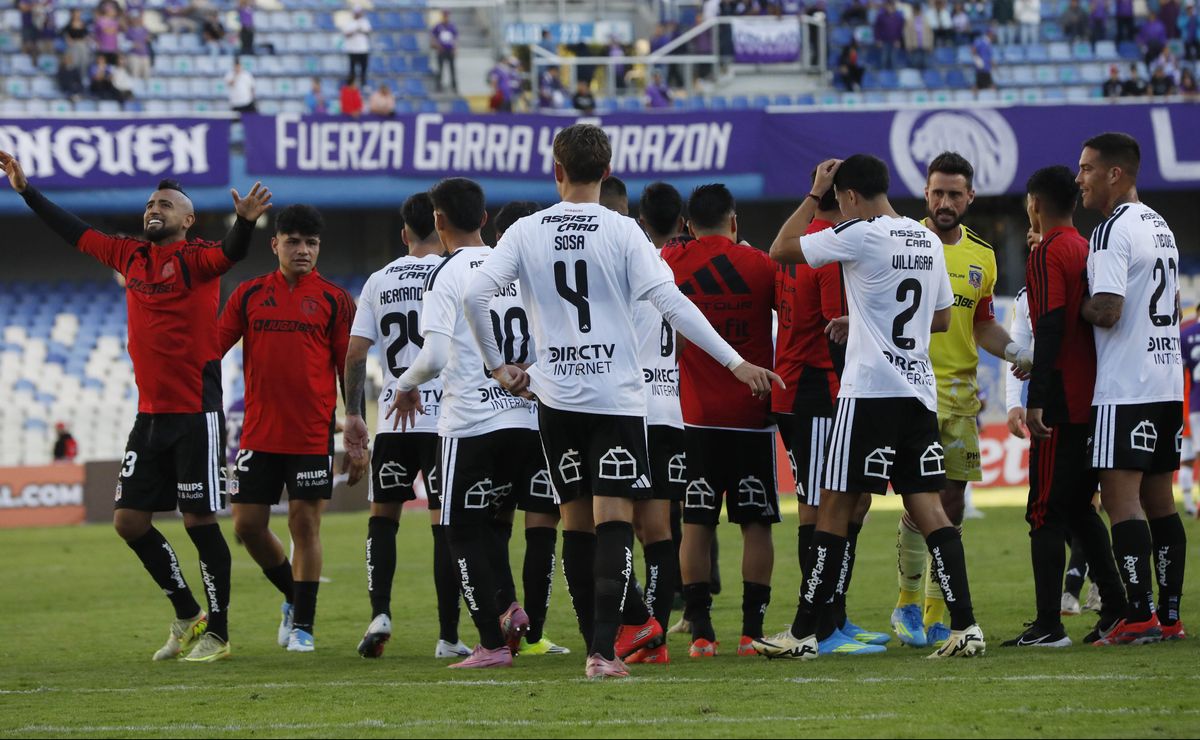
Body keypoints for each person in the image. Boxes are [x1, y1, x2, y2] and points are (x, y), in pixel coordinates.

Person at [462, 123, 781, 678]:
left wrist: (499, 365)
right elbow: (671, 304)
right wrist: (736, 362)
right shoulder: (625, 232)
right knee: (615, 521)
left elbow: (474, 295)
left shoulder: (525, 232)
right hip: (615, 398)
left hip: (556, 397)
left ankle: (597, 642)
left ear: (556, 171)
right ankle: (602, 654)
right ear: (606, 172)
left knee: (576, 525)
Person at [0, 152, 272, 662]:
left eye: (166, 204)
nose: (155, 207)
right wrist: (26, 190)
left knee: (198, 521)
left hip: (196, 413)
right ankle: (188, 613)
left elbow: (233, 251)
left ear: (187, 221)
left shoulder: (198, 258)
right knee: (128, 522)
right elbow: (74, 230)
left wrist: (246, 222)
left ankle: (219, 631)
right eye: (151, 202)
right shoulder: (128, 255)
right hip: (149, 417)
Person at [757, 155, 984, 661]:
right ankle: (965, 626)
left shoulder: (860, 233)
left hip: (869, 395)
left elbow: (780, 248)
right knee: (929, 509)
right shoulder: (925, 238)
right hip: (918, 393)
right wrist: (870, 324)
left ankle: (802, 634)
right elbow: (943, 318)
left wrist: (815, 193)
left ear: (851, 196)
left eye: (839, 202)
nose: (836, 211)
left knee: (833, 512)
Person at [384, 178, 562, 669]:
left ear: (437, 221)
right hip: (531, 417)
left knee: (460, 529)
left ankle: (489, 643)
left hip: (473, 423)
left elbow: (435, 356)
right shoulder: (518, 266)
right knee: (516, 524)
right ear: (485, 219)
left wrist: (404, 383)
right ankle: (514, 611)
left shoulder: (448, 274)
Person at [891, 152, 1030, 649]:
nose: (945, 201)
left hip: (961, 394)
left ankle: (933, 607)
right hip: (910, 391)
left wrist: (1014, 351)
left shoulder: (983, 256)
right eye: (937, 193)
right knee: (919, 500)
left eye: (954, 193)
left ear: (970, 197)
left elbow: (984, 323)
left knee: (952, 502)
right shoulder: (902, 241)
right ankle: (908, 600)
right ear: (925, 194)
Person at [219, 205, 357, 654]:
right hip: (259, 434)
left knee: (305, 526)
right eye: (294, 242)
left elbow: (347, 369)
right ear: (274, 244)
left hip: (311, 433)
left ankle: (303, 627)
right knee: (247, 526)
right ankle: (293, 598)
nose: (303, 250)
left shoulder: (335, 300)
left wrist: (355, 426)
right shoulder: (248, 294)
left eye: (311, 243)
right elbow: (212, 347)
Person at [1001, 166, 1129, 648]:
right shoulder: (1085, 247)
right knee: (1078, 508)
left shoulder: (1047, 251)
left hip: (1064, 402)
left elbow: (1050, 326)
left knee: (1044, 512)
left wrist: (1038, 398)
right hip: (1094, 395)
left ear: (1034, 203)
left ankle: (1048, 625)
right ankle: (1117, 607)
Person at [662, 184, 783, 660]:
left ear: (689, 226)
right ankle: (752, 632)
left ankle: (701, 635)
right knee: (756, 525)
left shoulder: (672, 265)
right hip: (752, 415)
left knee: (696, 524)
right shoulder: (761, 266)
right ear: (734, 221)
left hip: (694, 419)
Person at [772, 168, 888, 657]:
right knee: (824, 509)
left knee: (848, 504)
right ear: (846, 197)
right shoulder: (833, 248)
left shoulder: (801, 242)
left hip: (802, 391)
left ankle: (834, 615)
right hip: (817, 390)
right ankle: (822, 626)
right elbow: (833, 330)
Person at [342, 193, 463, 659]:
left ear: (403, 234)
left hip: (393, 419)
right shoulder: (451, 273)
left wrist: (354, 414)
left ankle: (379, 613)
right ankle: (448, 636)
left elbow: (355, 354)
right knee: (443, 526)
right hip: (443, 419)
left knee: (382, 520)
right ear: (442, 223)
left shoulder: (379, 280)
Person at [1078, 132, 1187, 644]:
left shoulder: (1110, 229)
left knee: (1123, 503)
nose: (1079, 179)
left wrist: (1067, 310)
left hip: (1126, 387)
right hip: (1167, 383)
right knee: (1161, 502)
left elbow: (1108, 309)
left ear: (1113, 174)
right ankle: (1168, 616)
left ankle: (1138, 614)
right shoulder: (1159, 225)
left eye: (1087, 169)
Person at [1179, 305, 1200, 516]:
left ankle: (1189, 506)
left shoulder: (1185, 337)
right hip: (1191, 405)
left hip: (1188, 406)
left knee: (1187, 459)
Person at [343, 7, 372, 87]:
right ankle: (351, 84)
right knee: (352, 69)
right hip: (353, 49)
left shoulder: (365, 22)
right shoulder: (349, 23)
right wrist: (356, 30)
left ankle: (363, 83)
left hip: (363, 49)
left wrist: (360, 30)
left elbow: (368, 32)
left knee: (363, 68)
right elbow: (346, 34)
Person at [431, 10, 458, 93]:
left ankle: (454, 86)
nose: (446, 17)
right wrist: (437, 46)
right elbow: (433, 38)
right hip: (441, 50)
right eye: (444, 16)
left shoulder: (452, 26)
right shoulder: (438, 26)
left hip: (449, 50)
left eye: (447, 16)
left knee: (452, 69)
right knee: (440, 69)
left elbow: (455, 38)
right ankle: (439, 86)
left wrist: (455, 48)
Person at [874, 0, 904, 69]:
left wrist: (898, 40)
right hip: (884, 41)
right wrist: (878, 40)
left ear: (894, 7)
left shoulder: (898, 17)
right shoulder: (880, 17)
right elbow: (877, 29)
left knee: (894, 60)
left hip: (894, 41)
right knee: (883, 59)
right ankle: (883, 76)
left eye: (891, 6)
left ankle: (894, 77)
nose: (889, 8)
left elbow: (900, 30)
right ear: (885, 7)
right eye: (888, 6)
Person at [125, 13, 153, 79]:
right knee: (135, 73)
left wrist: (149, 38)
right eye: (135, 19)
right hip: (134, 54)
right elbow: (125, 43)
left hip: (144, 54)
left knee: (146, 73)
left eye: (138, 19)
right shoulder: (129, 30)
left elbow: (149, 39)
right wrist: (132, 44)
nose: (137, 20)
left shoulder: (145, 29)